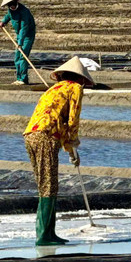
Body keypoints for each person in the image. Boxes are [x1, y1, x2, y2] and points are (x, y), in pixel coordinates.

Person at [23, 56, 93, 246]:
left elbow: (59, 123)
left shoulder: (53, 89)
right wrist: (72, 146)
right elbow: (72, 121)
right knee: (49, 185)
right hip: (45, 137)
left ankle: (48, 233)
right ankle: (44, 236)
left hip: (31, 136)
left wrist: (70, 150)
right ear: (81, 79)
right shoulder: (75, 88)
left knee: (44, 184)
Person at [0, 0, 37, 85]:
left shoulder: (24, 12)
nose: (11, 7)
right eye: (10, 6)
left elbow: (24, 28)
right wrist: (3, 22)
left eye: (13, 6)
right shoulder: (10, 10)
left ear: (16, 3)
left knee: (23, 57)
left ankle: (23, 79)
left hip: (27, 36)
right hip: (19, 35)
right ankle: (19, 78)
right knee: (17, 58)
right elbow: (8, 16)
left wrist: (20, 42)